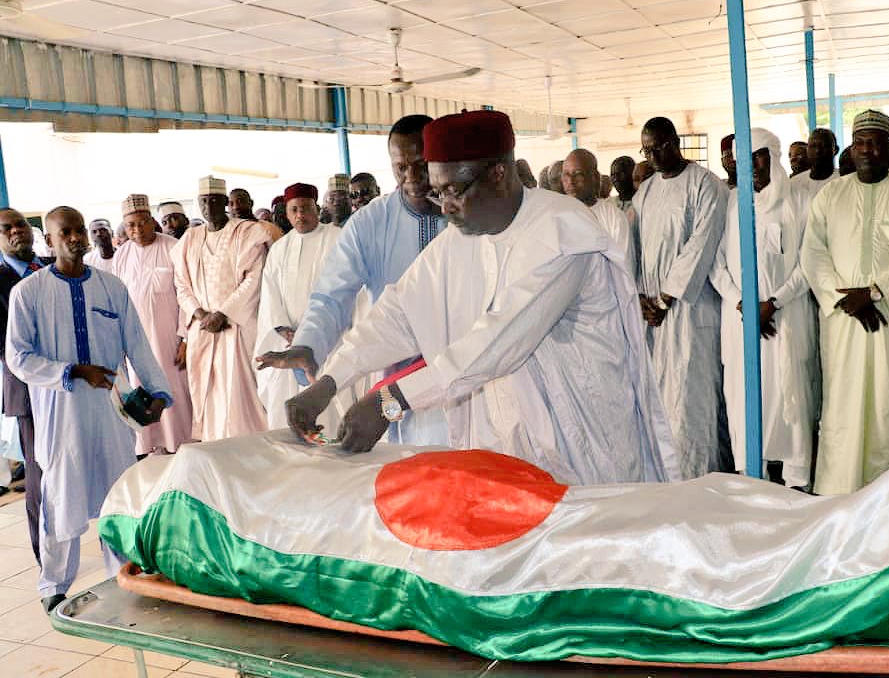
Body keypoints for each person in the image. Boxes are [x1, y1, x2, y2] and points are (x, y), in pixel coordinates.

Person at [283, 110, 680, 485]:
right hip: (509, 441)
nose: (446, 208)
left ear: (498, 174)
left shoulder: (561, 233)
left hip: (581, 436)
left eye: (453, 191)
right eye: (438, 193)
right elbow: (400, 312)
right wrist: (331, 380)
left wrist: (390, 401)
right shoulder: (461, 236)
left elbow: (497, 343)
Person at [6, 206, 171, 612]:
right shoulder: (28, 292)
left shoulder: (111, 287)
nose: (75, 237)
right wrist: (73, 371)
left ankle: (125, 574)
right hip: (60, 412)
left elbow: (137, 343)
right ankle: (54, 584)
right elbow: (19, 358)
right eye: (65, 232)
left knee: (119, 492)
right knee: (61, 496)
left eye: (79, 229)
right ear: (49, 240)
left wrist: (158, 393)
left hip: (111, 411)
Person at [256, 115, 448, 447]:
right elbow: (332, 296)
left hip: (469, 372)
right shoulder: (370, 222)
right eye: (401, 167)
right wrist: (308, 345)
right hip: (395, 367)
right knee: (412, 458)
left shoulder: (466, 217)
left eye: (422, 165)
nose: (412, 178)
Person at [801, 109, 889, 494]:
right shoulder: (831, 194)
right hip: (843, 319)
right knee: (842, 402)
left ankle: (888, 493)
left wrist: (876, 293)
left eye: (875, 143)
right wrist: (842, 297)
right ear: (851, 147)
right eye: (860, 143)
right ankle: (838, 491)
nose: (866, 150)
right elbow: (813, 251)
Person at [710, 129, 816, 486]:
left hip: (786, 316)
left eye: (759, 155)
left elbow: (809, 263)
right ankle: (752, 474)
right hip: (741, 319)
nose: (752, 165)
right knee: (744, 397)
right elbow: (716, 265)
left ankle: (795, 479)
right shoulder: (731, 203)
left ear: (773, 156)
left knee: (790, 397)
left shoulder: (799, 201)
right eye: (745, 157)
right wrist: (744, 305)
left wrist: (774, 303)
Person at [633, 116, 728, 478]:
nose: (653, 157)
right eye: (646, 150)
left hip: (690, 307)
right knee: (662, 396)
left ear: (675, 143)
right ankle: (668, 476)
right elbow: (638, 250)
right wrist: (642, 296)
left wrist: (665, 298)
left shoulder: (706, 184)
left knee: (693, 399)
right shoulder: (646, 191)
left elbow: (701, 246)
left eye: (658, 148)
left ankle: (701, 478)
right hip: (655, 314)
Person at [172, 176, 270, 442]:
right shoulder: (190, 238)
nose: (209, 207)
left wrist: (223, 313)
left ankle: (249, 445)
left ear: (225, 202)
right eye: (204, 201)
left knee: (239, 390)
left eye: (215, 201)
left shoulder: (246, 232)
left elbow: (254, 277)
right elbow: (181, 284)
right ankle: (215, 444)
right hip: (203, 328)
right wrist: (200, 314)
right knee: (209, 389)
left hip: (236, 326)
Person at [255, 183, 356, 435]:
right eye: (294, 210)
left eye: (306, 208)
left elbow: (348, 287)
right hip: (287, 341)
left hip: (331, 338)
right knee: (285, 405)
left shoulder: (338, 238)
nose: (300, 215)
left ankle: (334, 446)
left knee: (331, 403)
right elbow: (269, 293)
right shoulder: (279, 248)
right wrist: (282, 328)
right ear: (287, 214)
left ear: (317, 208)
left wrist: (316, 332)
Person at [111, 194, 195, 456]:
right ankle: (152, 448)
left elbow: (186, 294)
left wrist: (185, 339)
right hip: (136, 342)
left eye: (142, 223)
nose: (137, 230)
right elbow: (118, 302)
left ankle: (183, 446)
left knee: (175, 391)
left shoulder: (173, 247)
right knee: (143, 389)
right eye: (131, 225)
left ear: (152, 222)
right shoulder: (121, 256)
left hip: (170, 339)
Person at [0, 209, 51, 563]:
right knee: (39, 471)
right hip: (28, 389)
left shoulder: (53, 267)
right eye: (7, 228)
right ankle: (45, 553)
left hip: (74, 383)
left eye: (21, 224)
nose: (17, 230)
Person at [562, 149, 633, 274]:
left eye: (578, 174)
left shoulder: (614, 217)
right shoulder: (557, 216)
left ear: (595, 177)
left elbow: (624, 270)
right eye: (566, 175)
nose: (571, 181)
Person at [790, 127, 839, 205]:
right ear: (807, 150)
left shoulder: (844, 180)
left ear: (835, 150)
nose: (817, 151)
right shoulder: (794, 183)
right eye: (813, 146)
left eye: (824, 146)